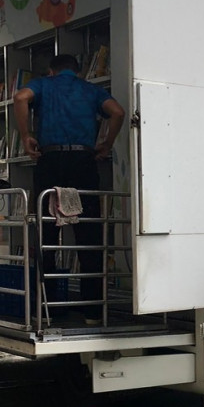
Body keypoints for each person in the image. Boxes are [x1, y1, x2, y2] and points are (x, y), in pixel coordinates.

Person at [14, 54, 125, 321]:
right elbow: (118, 112)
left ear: (52, 71)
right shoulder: (91, 90)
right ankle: (93, 310)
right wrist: (107, 143)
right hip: (82, 160)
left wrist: (26, 134)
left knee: (46, 233)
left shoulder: (43, 85)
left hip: (50, 159)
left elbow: (20, 98)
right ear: (78, 71)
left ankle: (46, 307)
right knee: (88, 234)